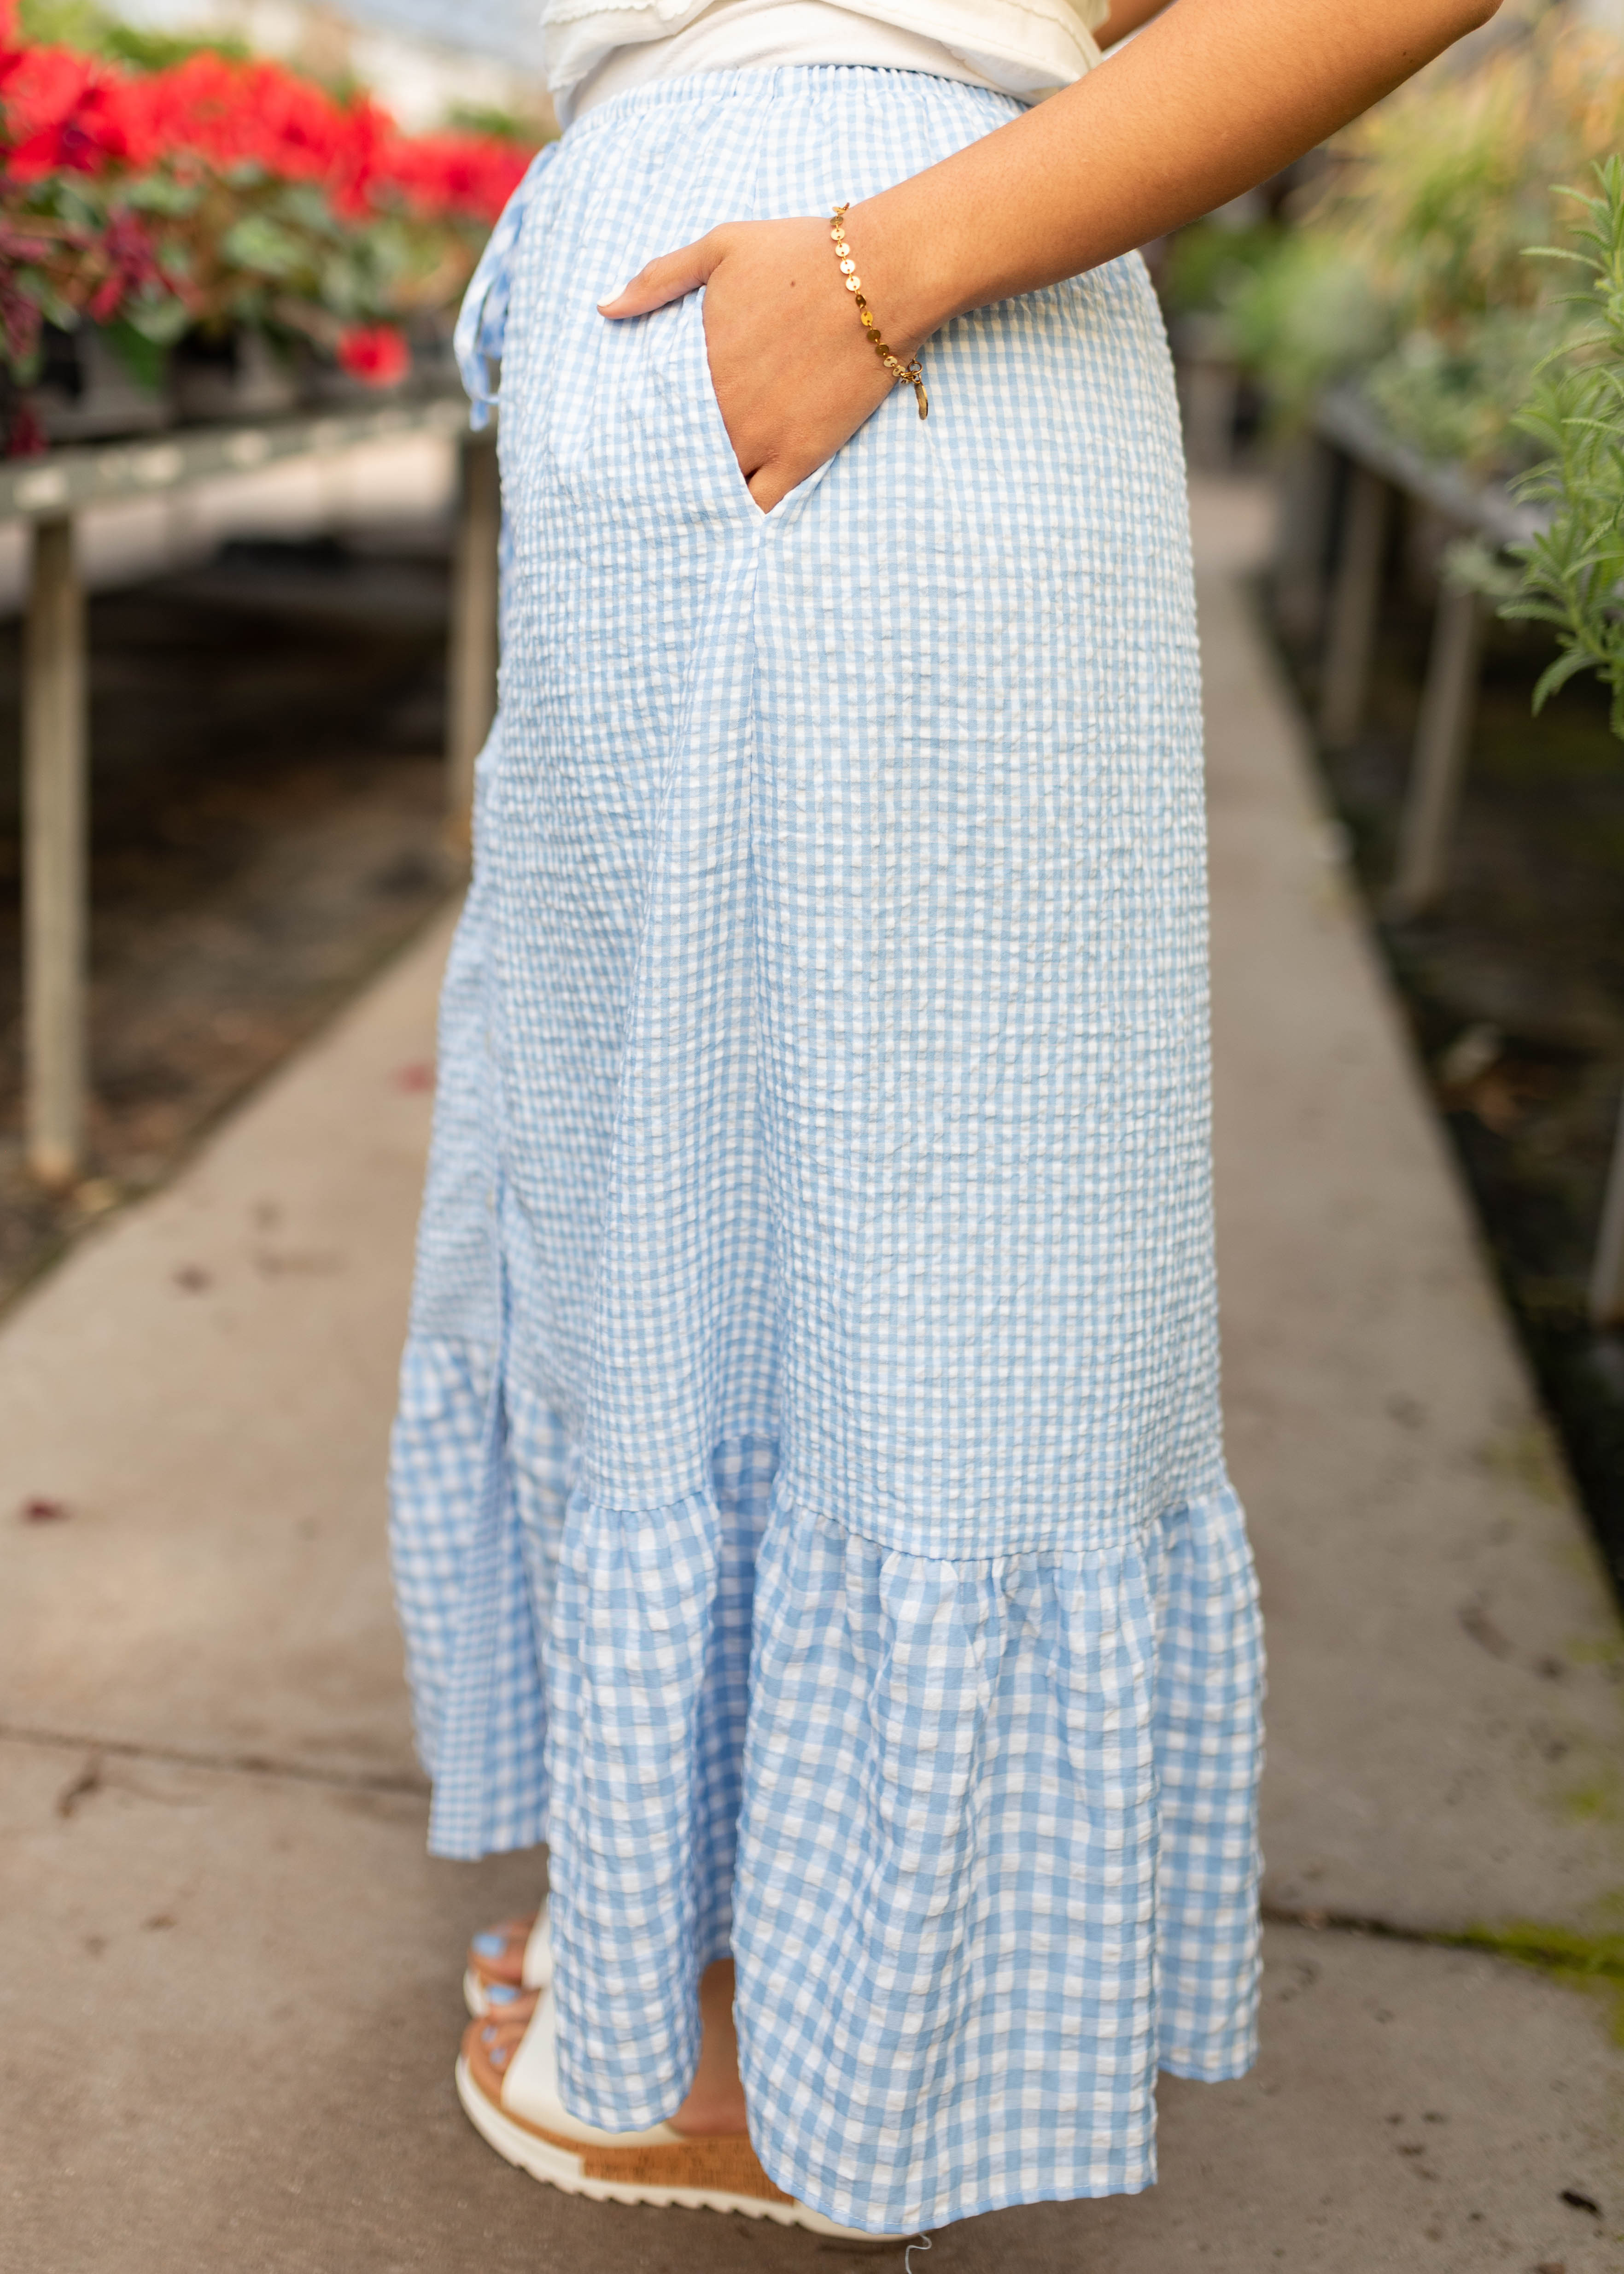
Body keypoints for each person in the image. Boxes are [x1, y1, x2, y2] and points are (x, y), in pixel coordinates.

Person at [389, 0, 1499, 2239]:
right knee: (706, 1204)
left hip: (885, 316)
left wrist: (884, 264)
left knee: (921, 1227)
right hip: (803, 317)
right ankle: (714, 1944)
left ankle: (795, 2046)